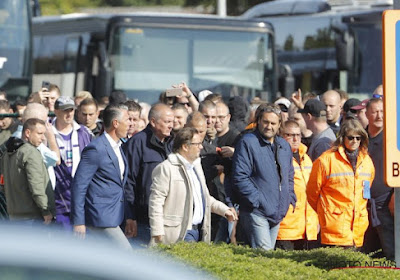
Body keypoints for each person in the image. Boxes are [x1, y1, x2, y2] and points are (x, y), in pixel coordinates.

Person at [148, 127, 237, 245]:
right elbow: (156, 202)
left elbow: (203, 198)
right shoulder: (166, 168)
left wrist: (224, 210)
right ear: (185, 146)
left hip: (199, 230)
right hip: (179, 233)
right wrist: (157, 231)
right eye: (198, 144)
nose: (201, 147)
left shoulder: (196, 167)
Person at [232, 103, 295, 250]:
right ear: (258, 121)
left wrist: (288, 196)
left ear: (279, 124)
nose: (269, 126)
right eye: (265, 122)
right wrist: (257, 200)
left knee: (268, 258)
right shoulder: (248, 142)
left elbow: (289, 175)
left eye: (273, 123)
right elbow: (240, 177)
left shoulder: (284, 146)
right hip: (257, 211)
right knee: (264, 255)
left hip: (277, 211)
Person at [71, 104, 132, 249]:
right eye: (128, 119)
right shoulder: (96, 148)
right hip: (100, 216)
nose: (131, 123)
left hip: (116, 214)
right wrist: (78, 221)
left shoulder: (119, 147)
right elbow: (79, 185)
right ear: (115, 123)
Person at [307, 119, 375, 248]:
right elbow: (312, 193)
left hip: (358, 229)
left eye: (358, 138)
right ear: (343, 138)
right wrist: (325, 211)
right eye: (351, 137)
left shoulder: (367, 161)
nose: (354, 141)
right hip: (334, 227)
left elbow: (366, 191)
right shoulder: (326, 160)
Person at [123, 103, 174, 246]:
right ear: (153, 122)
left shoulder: (173, 143)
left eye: (172, 122)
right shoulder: (137, 143)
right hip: (143, 219)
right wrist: (130, 216)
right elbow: (128, 181)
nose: (171, 126)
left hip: (168, 219)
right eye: (167, 122)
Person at [1, 118, 55, 224]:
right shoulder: (31, 153)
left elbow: (3, 185)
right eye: (39, 133)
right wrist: (46, 210)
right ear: (28, 133)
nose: (43, 138)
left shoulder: (7, 154)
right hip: (33, 218)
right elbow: (37, 186)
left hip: (14, 216)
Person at [275, 120, 318, 250]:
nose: (295, 139)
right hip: (286, 228)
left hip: (307, 228)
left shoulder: (306, 159)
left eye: (298, 135)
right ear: (282, 136)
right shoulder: (277, 157)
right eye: (290, 135)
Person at [52, 96, 92, 229]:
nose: (69, 114)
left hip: (80, 199)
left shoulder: (84, 132)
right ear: (56, 111)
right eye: (65, 110)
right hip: (58, 199)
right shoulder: (47, 132)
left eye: (71, 110)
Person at [363, 98, 394, 260]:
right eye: (374, 111)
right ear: (367, 114)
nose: (379, 116)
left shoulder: (393, 140)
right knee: (366, 254)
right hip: (362, 205)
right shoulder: (359, 138)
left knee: (390, 252)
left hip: (385, 204)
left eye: (382, 111)